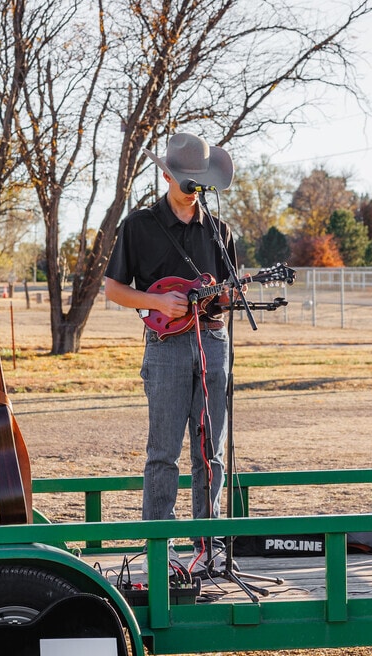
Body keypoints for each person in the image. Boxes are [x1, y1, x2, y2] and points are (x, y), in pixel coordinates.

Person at [104, 132, 237, 576]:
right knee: (163, 451)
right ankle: (162, 548)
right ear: (166, 175)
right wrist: (158, 302)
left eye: (199, 180)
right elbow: (114, 289)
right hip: (164, 348)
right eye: (186, 179)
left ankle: (209, 546)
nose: (193, 187)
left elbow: (225, 296)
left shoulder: (220, 231)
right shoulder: (138, 226)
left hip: (212, 344)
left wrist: (228, 297)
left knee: (210, 451)